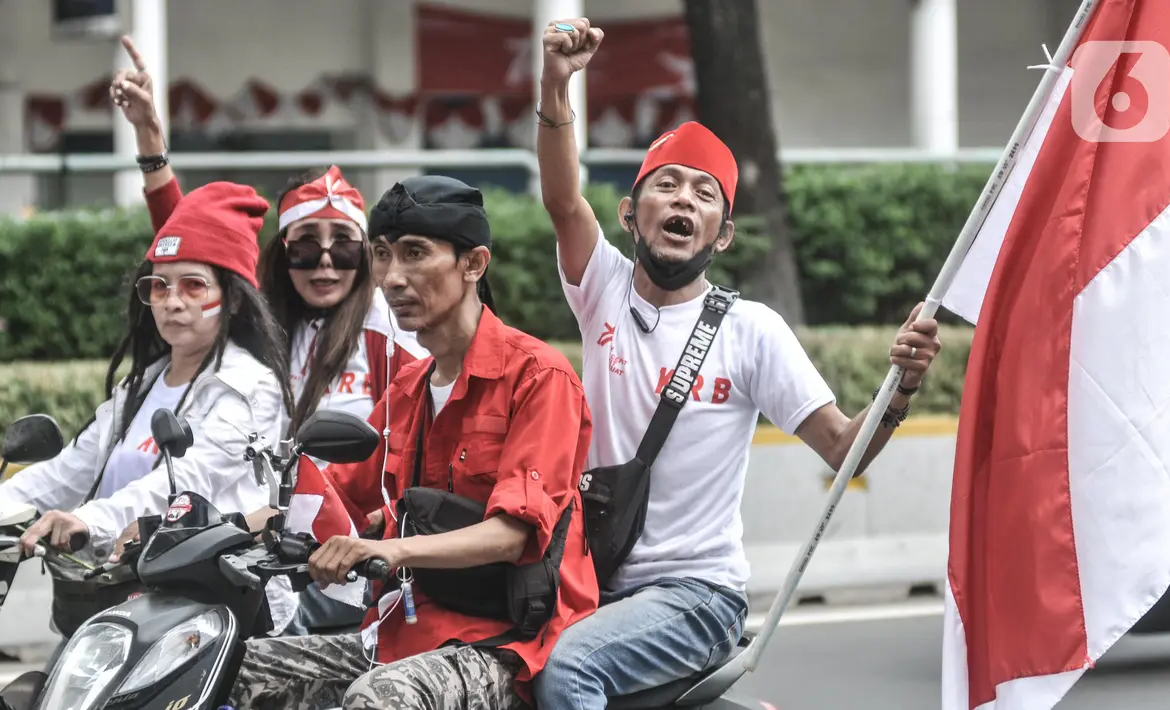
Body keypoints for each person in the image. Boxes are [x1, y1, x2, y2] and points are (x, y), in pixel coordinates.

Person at [531, 18, 944, 709]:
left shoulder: (751, 330)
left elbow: (844, 449)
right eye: (666, 186)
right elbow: (560, 195)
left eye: (703, 193)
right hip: (591, 579)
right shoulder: (599, 288)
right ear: (631, 214)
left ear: (720, 235)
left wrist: (900, 386)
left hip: (696, 595)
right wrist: (555, 82)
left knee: (568, 673)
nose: (683, 199)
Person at [227, 175, 600, 710]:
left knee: (379, 699)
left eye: (415, 254)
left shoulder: (539, 377)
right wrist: (218, 530)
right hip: (402, 633)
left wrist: (389, 547)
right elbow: (333, 497)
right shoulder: (407, 389)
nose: (393, 278)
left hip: (505, 642)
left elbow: (512, 535)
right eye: (382, 255)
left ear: (473, 264)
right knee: (233, 668)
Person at [109, 35, 427, 632]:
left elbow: (404, 446)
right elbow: (188, 251)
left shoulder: (392, 325)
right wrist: (152, 145)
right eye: (305, 249)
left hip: (344, 551)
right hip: (245, 541)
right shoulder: (263, 326)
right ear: (282, 256)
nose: (326, 266)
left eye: (345, 249)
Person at [4, 181, 300, 639]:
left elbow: (186, 485)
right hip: (127, 608)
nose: (173, 300)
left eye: (193, 285)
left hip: (215, 620)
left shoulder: (250, 387)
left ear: (234, 297)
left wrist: (88, 521)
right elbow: (69, 471)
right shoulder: (141, 385)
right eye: (158, 286)